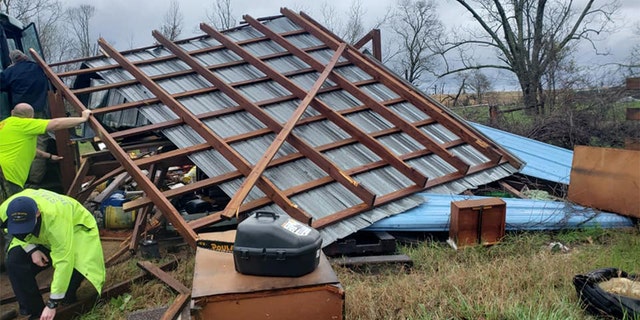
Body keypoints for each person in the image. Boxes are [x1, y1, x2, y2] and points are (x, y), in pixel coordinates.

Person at [0, 103, 91, 273]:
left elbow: (30, 148)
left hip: (4, 173)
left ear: (12, 112)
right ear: (31, 117)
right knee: (12, 217)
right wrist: (83, 118)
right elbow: (55, 124)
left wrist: (50, 156)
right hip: (7, 176)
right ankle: (15, 266)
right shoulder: (24, 124)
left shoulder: (5, 125)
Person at [0, 189, 105, 320]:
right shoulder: (5, 209)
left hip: (75, 231)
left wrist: (52, 304)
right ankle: (36, 312)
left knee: (71, 278)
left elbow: (63, 261)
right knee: (14, 261)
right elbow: (10, 231)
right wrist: (32, 250)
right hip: (41, 236)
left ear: (37, 213)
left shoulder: (57, 219)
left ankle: (67, 296)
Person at [0, 49, 50, 119]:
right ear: (24, 56)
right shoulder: (38, 67)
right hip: (41, 107)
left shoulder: (9, 72)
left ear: (12, 60)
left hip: (22, 111)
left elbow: (2, 85)